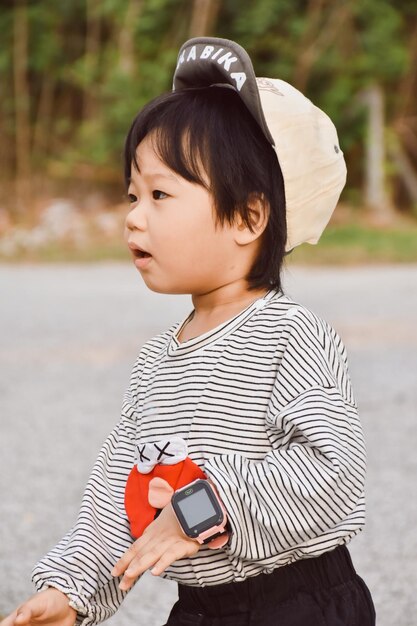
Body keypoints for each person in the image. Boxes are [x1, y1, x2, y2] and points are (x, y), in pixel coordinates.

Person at [1, 37, 376, 626]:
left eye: (159, 194)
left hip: (298, 603)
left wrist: (201, 506)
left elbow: (335, 477)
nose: (132, 215)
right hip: (200, 610)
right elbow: (115, 495)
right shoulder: (157, 361)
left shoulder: (290, 335)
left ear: (249, 217)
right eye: (132, 194)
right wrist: (72, 592)